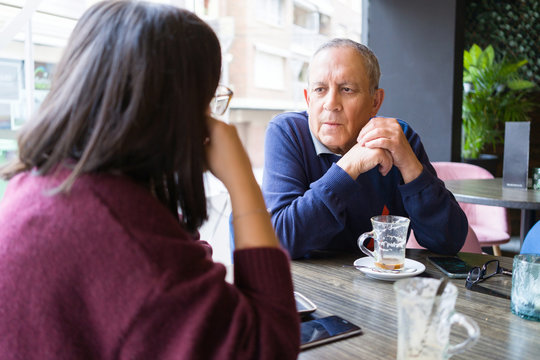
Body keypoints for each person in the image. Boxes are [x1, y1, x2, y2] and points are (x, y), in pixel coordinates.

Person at [0, 1, 300, 358]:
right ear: (175, 111)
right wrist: (242, 180)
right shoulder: (125, 242)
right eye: (205, 102)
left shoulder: (41, 185)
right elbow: (269, 345)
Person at [262, 38, 468, 259]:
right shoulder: (287, 132)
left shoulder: (398, 138)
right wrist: (349, 166)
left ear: (375, 102)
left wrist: (410, 165)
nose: (331, 103)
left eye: (347, 89)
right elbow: (279, 240)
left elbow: (448, 240)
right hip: (304, 289)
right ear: (308, 98)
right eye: (320, 89)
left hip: (379, 288)